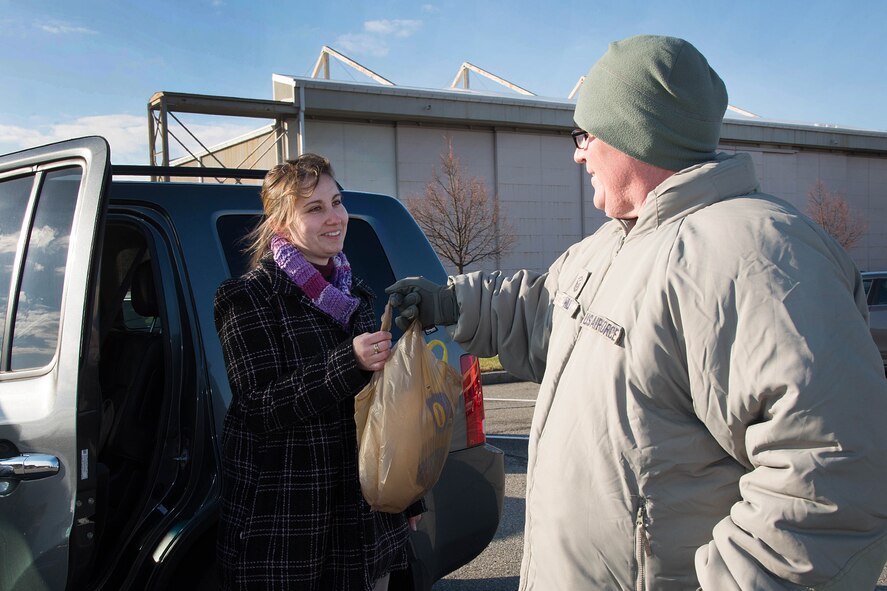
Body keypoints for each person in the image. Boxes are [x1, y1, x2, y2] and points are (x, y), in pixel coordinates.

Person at [387, 35, 887, 590]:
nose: (577, 153)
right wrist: (453, 301)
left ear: (636, 136)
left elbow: (830, 480)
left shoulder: (754, 256)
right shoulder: (613, 244)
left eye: (585, 135)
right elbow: (544, 312)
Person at [214, 154, 422, 591]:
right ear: (281, 225)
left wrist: (409, 496)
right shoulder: (248, 298)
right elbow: (258, 407)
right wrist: (349, 362)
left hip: (364, 521)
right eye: (314, 208)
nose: (335, 218)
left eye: (337, 202)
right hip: (290, 523)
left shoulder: (358, 296)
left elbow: (385, 412)